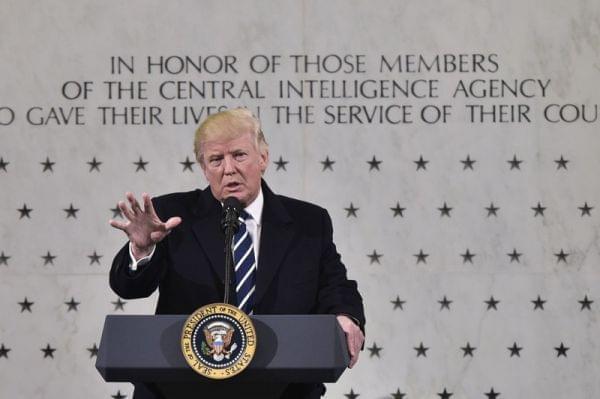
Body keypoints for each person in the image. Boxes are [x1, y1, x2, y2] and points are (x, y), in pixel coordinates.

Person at [109, 108, 365, 399]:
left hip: (283, 390)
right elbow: (129, 287)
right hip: (178, 390)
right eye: (216, 160)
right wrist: (142, 250)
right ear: (205, 169)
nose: (228, 169)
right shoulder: (172, 217)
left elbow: (335, 285)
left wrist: (345, 316)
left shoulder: (308, 222)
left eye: (239, 155)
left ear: (263, 158)